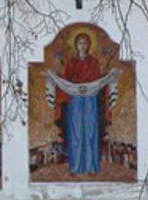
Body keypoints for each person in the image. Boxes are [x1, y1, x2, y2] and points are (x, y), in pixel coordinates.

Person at [47, 31, 118, 175]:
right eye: (80, 43)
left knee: (90, 131)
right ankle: (75, 167)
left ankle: (91, 166)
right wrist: (57, 79)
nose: (82, 46)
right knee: (76, 132)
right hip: (75, 100)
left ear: (89, 45)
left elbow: (99, 83)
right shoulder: (71, 63)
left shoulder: (94, 62)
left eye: (85, 43)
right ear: (76, 45)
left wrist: (109, 77)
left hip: (90, 100)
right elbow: (66, 82)